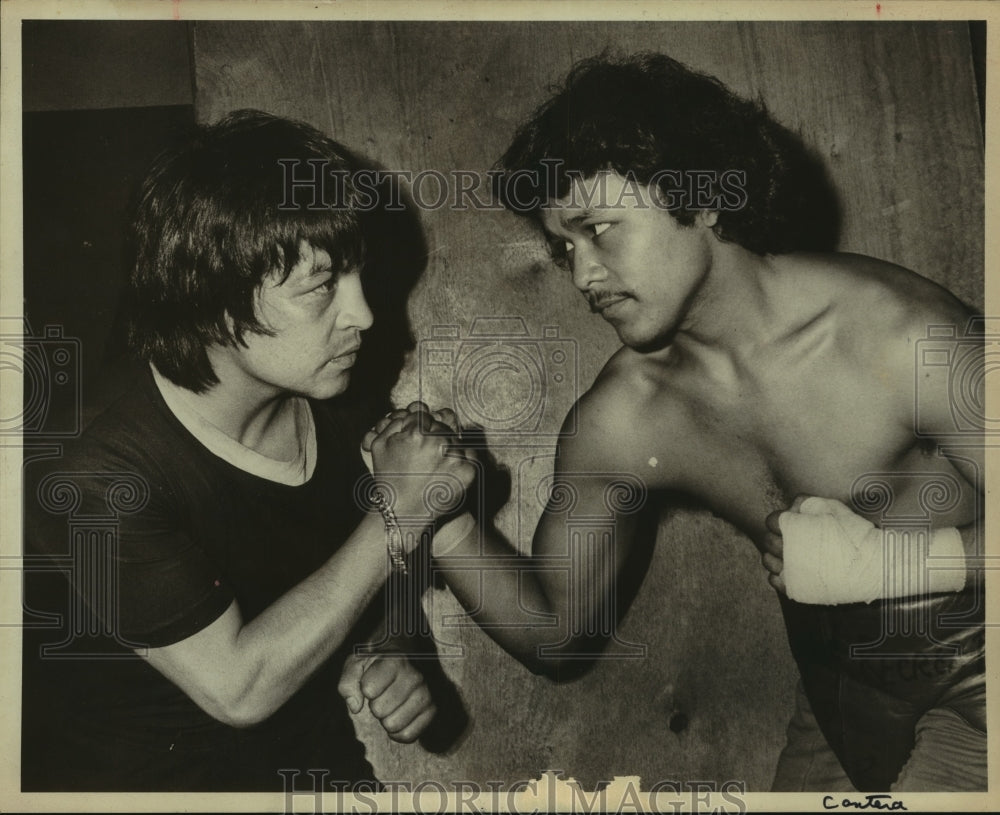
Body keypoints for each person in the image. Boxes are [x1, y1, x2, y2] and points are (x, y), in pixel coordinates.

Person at [400, 52, 986, 792]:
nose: (582, 274)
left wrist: (880, 567)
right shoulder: (628, 417)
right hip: (842, 703)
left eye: (601, 229)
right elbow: (556, 631)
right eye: (564, 246)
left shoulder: (904, 337)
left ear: (703, 198)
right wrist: (441, 516)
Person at [23, 110, 475, 791]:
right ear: (214, 302)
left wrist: (390, 645)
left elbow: (359, 584)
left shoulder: (344, 412)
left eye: (357, 276)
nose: (364, 315)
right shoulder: (97, 478)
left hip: (314, 774)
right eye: (322, 286)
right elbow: (238, 687)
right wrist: (396, 515)